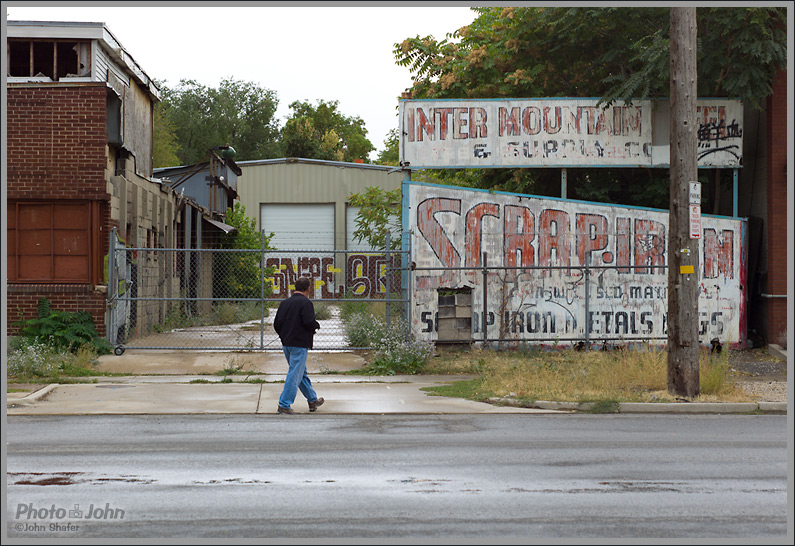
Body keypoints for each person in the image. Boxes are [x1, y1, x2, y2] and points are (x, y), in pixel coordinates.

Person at [273, 276, 324, 414]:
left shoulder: (285, 303)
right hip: (299, 344)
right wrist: (316, 325)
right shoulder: (306, 303)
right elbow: (308, 321)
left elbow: (276, 324)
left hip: (287, 344)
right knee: (295, 374)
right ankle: (284, 404)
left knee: (301, 373)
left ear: (295, 288)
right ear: (308, 289)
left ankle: (312, 399)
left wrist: (284, 335)